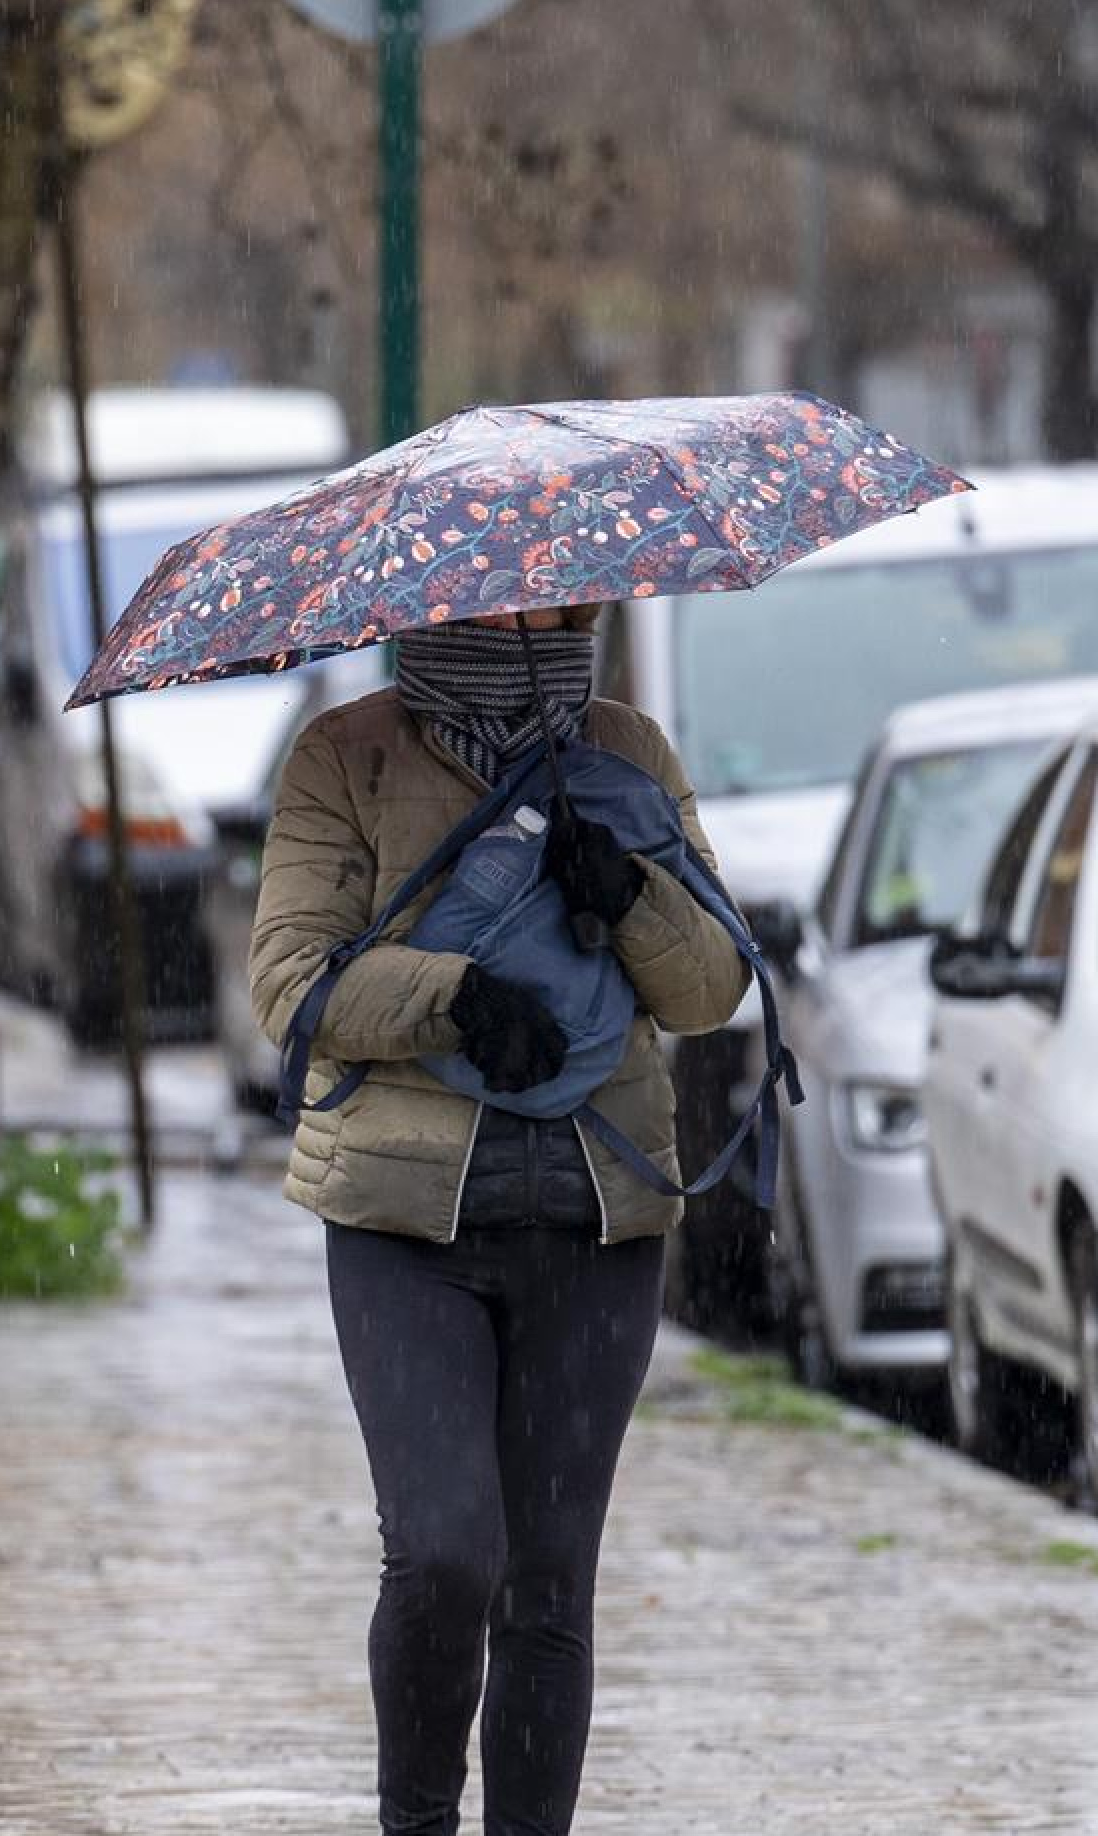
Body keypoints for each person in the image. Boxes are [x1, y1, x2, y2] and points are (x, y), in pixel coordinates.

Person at [245, 604, 749, 1836]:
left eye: (575, 591)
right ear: (451, 596)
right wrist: (454, 998)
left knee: (547, 1586)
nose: (562, 610)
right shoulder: (346, 753)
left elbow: (711, 989)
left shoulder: (630, 752)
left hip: (598, 1218)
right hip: (403, 1225)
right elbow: (287, 982)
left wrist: (627, 892)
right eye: (535, 592)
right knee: (444, 1555)